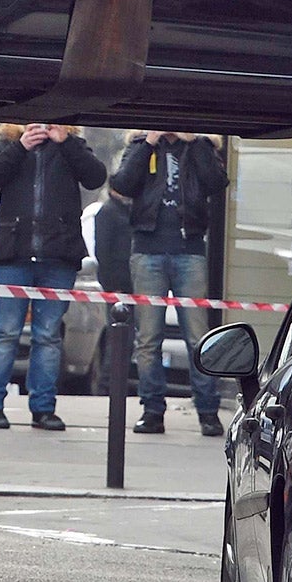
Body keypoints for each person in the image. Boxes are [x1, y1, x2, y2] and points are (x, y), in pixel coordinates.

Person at [0, 121, 107, 431]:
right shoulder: (7, 143)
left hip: (58, 256)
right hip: (13, 253)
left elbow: (95, 177)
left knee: (48, 335)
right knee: (5, 332)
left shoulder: (72, 145)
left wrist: (67, 143)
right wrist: (21, 147)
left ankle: (43, 408)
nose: (42, 127)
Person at [111, 130, 229, 436]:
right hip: (148, 248)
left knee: (198, 336)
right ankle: (152, 410)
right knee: (148, 338)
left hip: (189, 249)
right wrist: (148, 143)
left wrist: (195, 143)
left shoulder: (202, 146)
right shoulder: (140, 146)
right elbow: (122, 184)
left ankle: (207, 410)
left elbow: (216, 183)